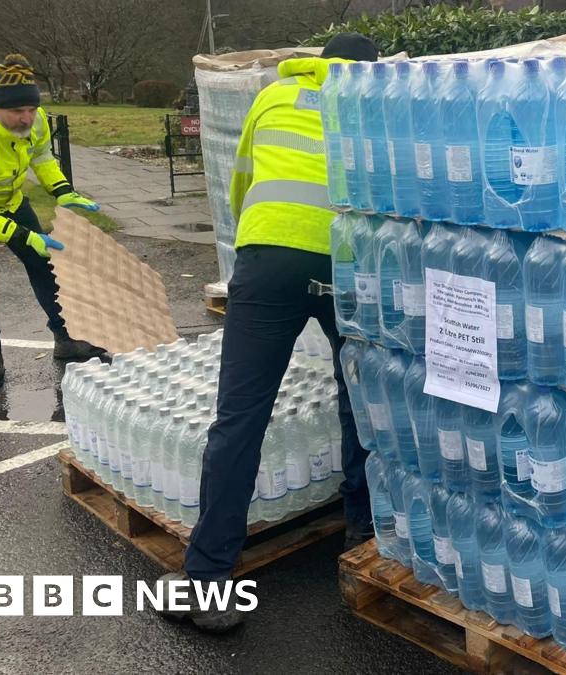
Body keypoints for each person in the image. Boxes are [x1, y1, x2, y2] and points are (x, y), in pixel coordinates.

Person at [157, 33, 380, 633]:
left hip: (266, 256)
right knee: (358, 401)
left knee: (241, 415)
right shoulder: (370, 104)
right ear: (369, 69)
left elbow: (242, 181)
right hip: (343, 261)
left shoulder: (274, 95)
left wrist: (256, 244)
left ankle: (207, 578)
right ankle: (362, 533)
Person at [0, 54, 106, 390]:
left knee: (45, 265)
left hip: (9, 200)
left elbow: (41, 156)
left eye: (31, 109)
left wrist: (62, 190)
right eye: (17, 112)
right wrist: (22, 234)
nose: (26, 118)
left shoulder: (35, 119)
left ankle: (66, 338)